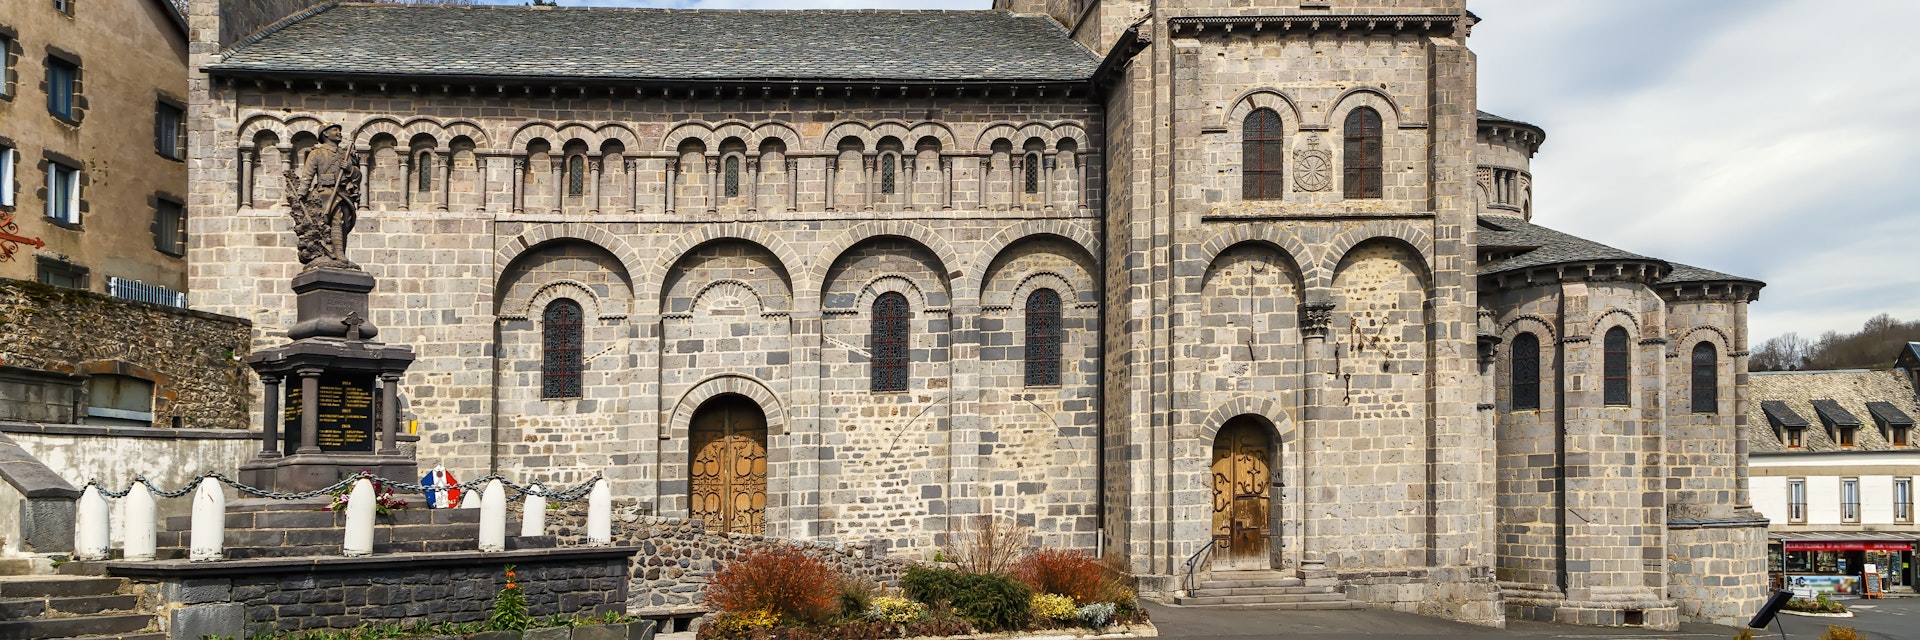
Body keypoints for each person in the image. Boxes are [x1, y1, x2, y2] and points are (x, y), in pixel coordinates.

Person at [286, 124, 362, 269]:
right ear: (326, 134)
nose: (339, 132)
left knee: (344, 224)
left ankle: (338, 253)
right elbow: (308, 175)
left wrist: (350, 168)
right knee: (335, 220)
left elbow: (357, 175)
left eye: (339, 130)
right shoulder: (317, 153)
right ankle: (338, 254)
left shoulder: (345, 154)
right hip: (325, 194)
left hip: (344, 194)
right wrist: (301, 194)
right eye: (335, 130)